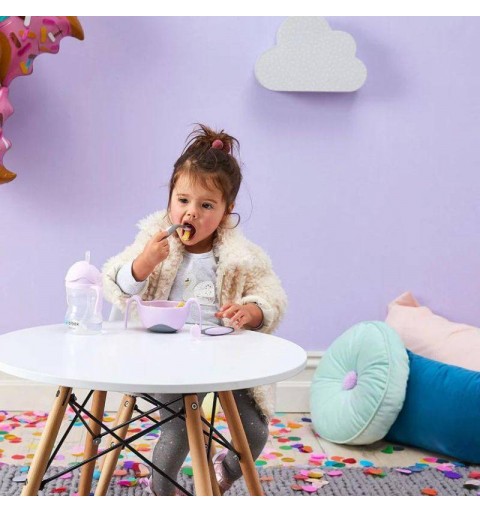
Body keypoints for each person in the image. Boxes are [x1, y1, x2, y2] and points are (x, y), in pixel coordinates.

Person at [102, 124, 287, 495]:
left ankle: (224, 473)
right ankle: (163, 492)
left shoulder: (239, 255)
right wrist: (144, 264)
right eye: (183, 200)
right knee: (178, 431)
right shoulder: (153, 241)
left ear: (226, 211)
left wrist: (252, 311)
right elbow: (116, 282)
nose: (191, 213)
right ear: (170, 197)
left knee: (254, 432)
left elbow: (271, 295)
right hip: (165, 361)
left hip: (222, 362)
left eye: (206, 206)